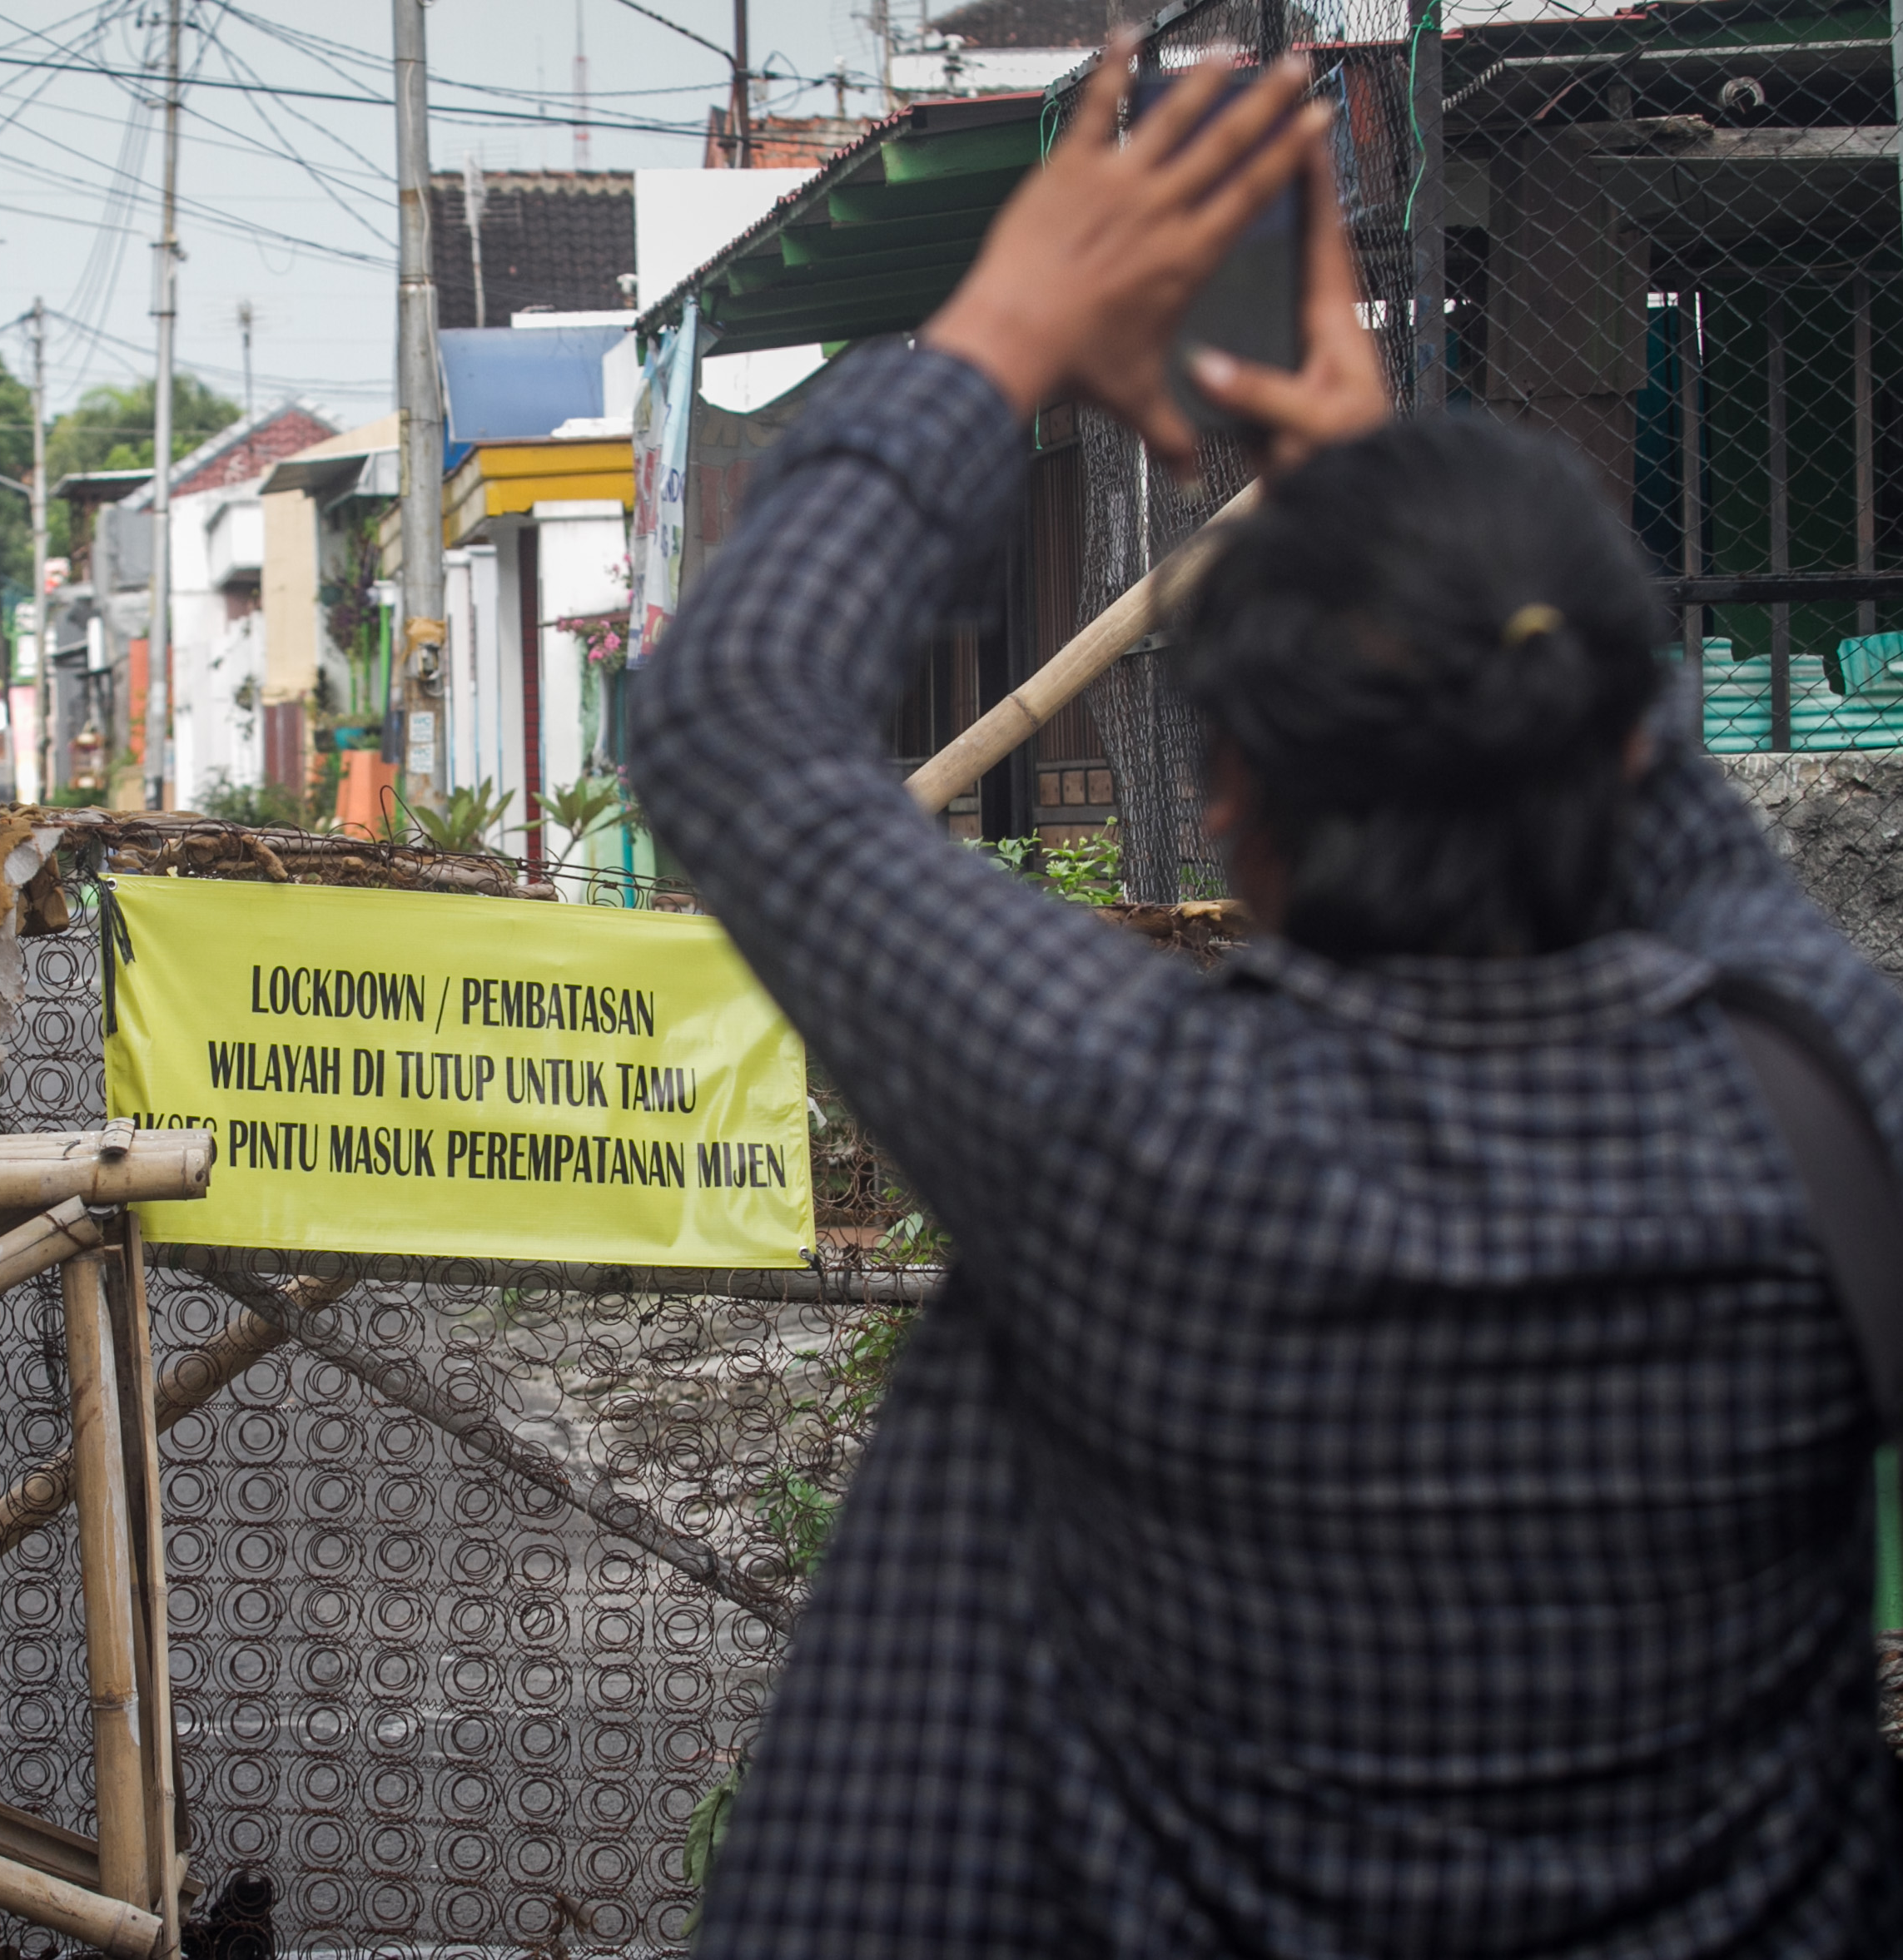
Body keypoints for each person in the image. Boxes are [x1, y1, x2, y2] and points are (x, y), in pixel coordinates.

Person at [626, 42, 1903, 1958]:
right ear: (1629, 740)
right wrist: (1410, 517)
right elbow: (1667, 817)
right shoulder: (1824, 1107)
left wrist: (1001, 332)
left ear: (1232, 801)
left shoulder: (1137, 1129)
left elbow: (732, 719)